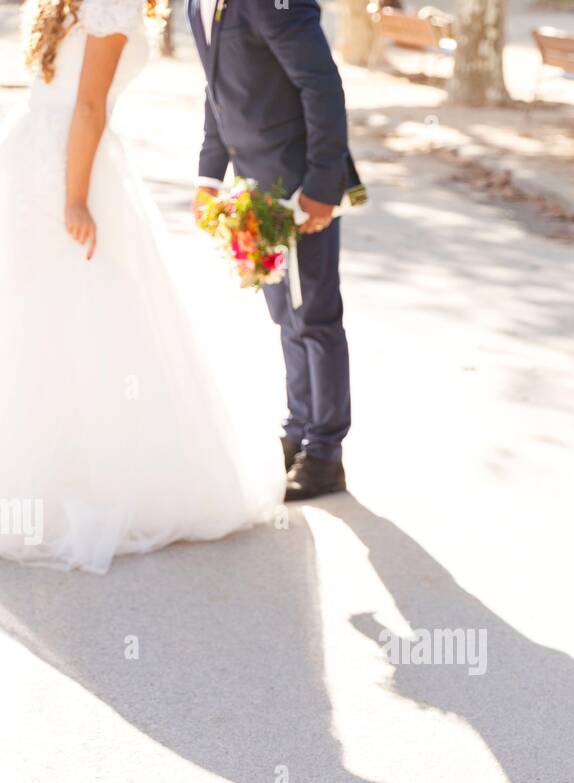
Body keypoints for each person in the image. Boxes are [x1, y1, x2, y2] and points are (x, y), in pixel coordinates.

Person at [0, 0, 283, 574]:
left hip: (33, 149)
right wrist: (76, 197)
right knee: (85, 309)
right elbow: (87, 106)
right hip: (69, 164)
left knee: (37, 311)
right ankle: (70, 480)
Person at [189, 0, 353, 502]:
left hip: (300, 189)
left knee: (315, 318)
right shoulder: (198, 4)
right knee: (287, 316)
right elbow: (216, 90)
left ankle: (325, 454)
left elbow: (321, 85)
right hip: (254, 190)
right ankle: (299, 426)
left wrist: (323, 187)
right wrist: (208, 175)